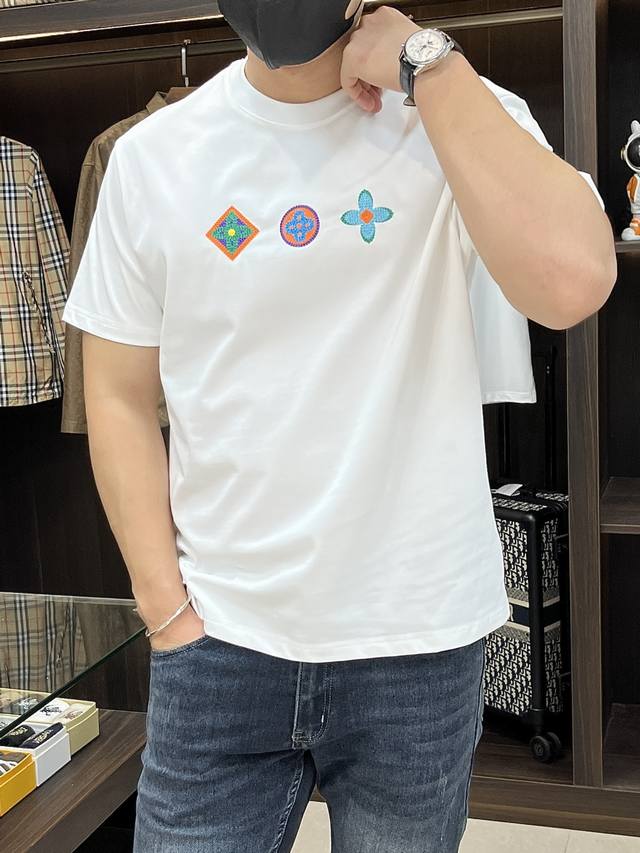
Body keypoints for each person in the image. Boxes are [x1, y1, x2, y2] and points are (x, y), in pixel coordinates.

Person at [62, 2, 616, 851]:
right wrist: (165, 608)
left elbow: (572, 283)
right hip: (221, 637)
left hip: (417, 641)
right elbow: (117, 393)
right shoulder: (154, 157)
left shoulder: (458, 108)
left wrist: (429, 64)